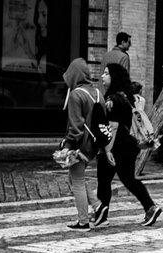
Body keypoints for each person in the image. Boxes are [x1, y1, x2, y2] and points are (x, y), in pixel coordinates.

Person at [94, 63, 162, 227]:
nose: (102, 76)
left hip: (115, 146)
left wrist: (107, 149)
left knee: (103, 179)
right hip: (130, 146)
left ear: (114, 78)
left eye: (106, 74)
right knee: (128, 179)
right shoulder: (128, 97)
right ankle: (150, 207)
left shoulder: (112, 99)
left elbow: (112, 127)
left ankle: (101, 214)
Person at [59, 58, 103, 231]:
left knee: (76, 181)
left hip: (79, 144)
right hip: (93, 144)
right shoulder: (97, 93)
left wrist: (67, 146)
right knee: (76, 177)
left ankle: (83, 221)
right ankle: (98, 206)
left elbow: (76, 126)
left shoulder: (76, 94)